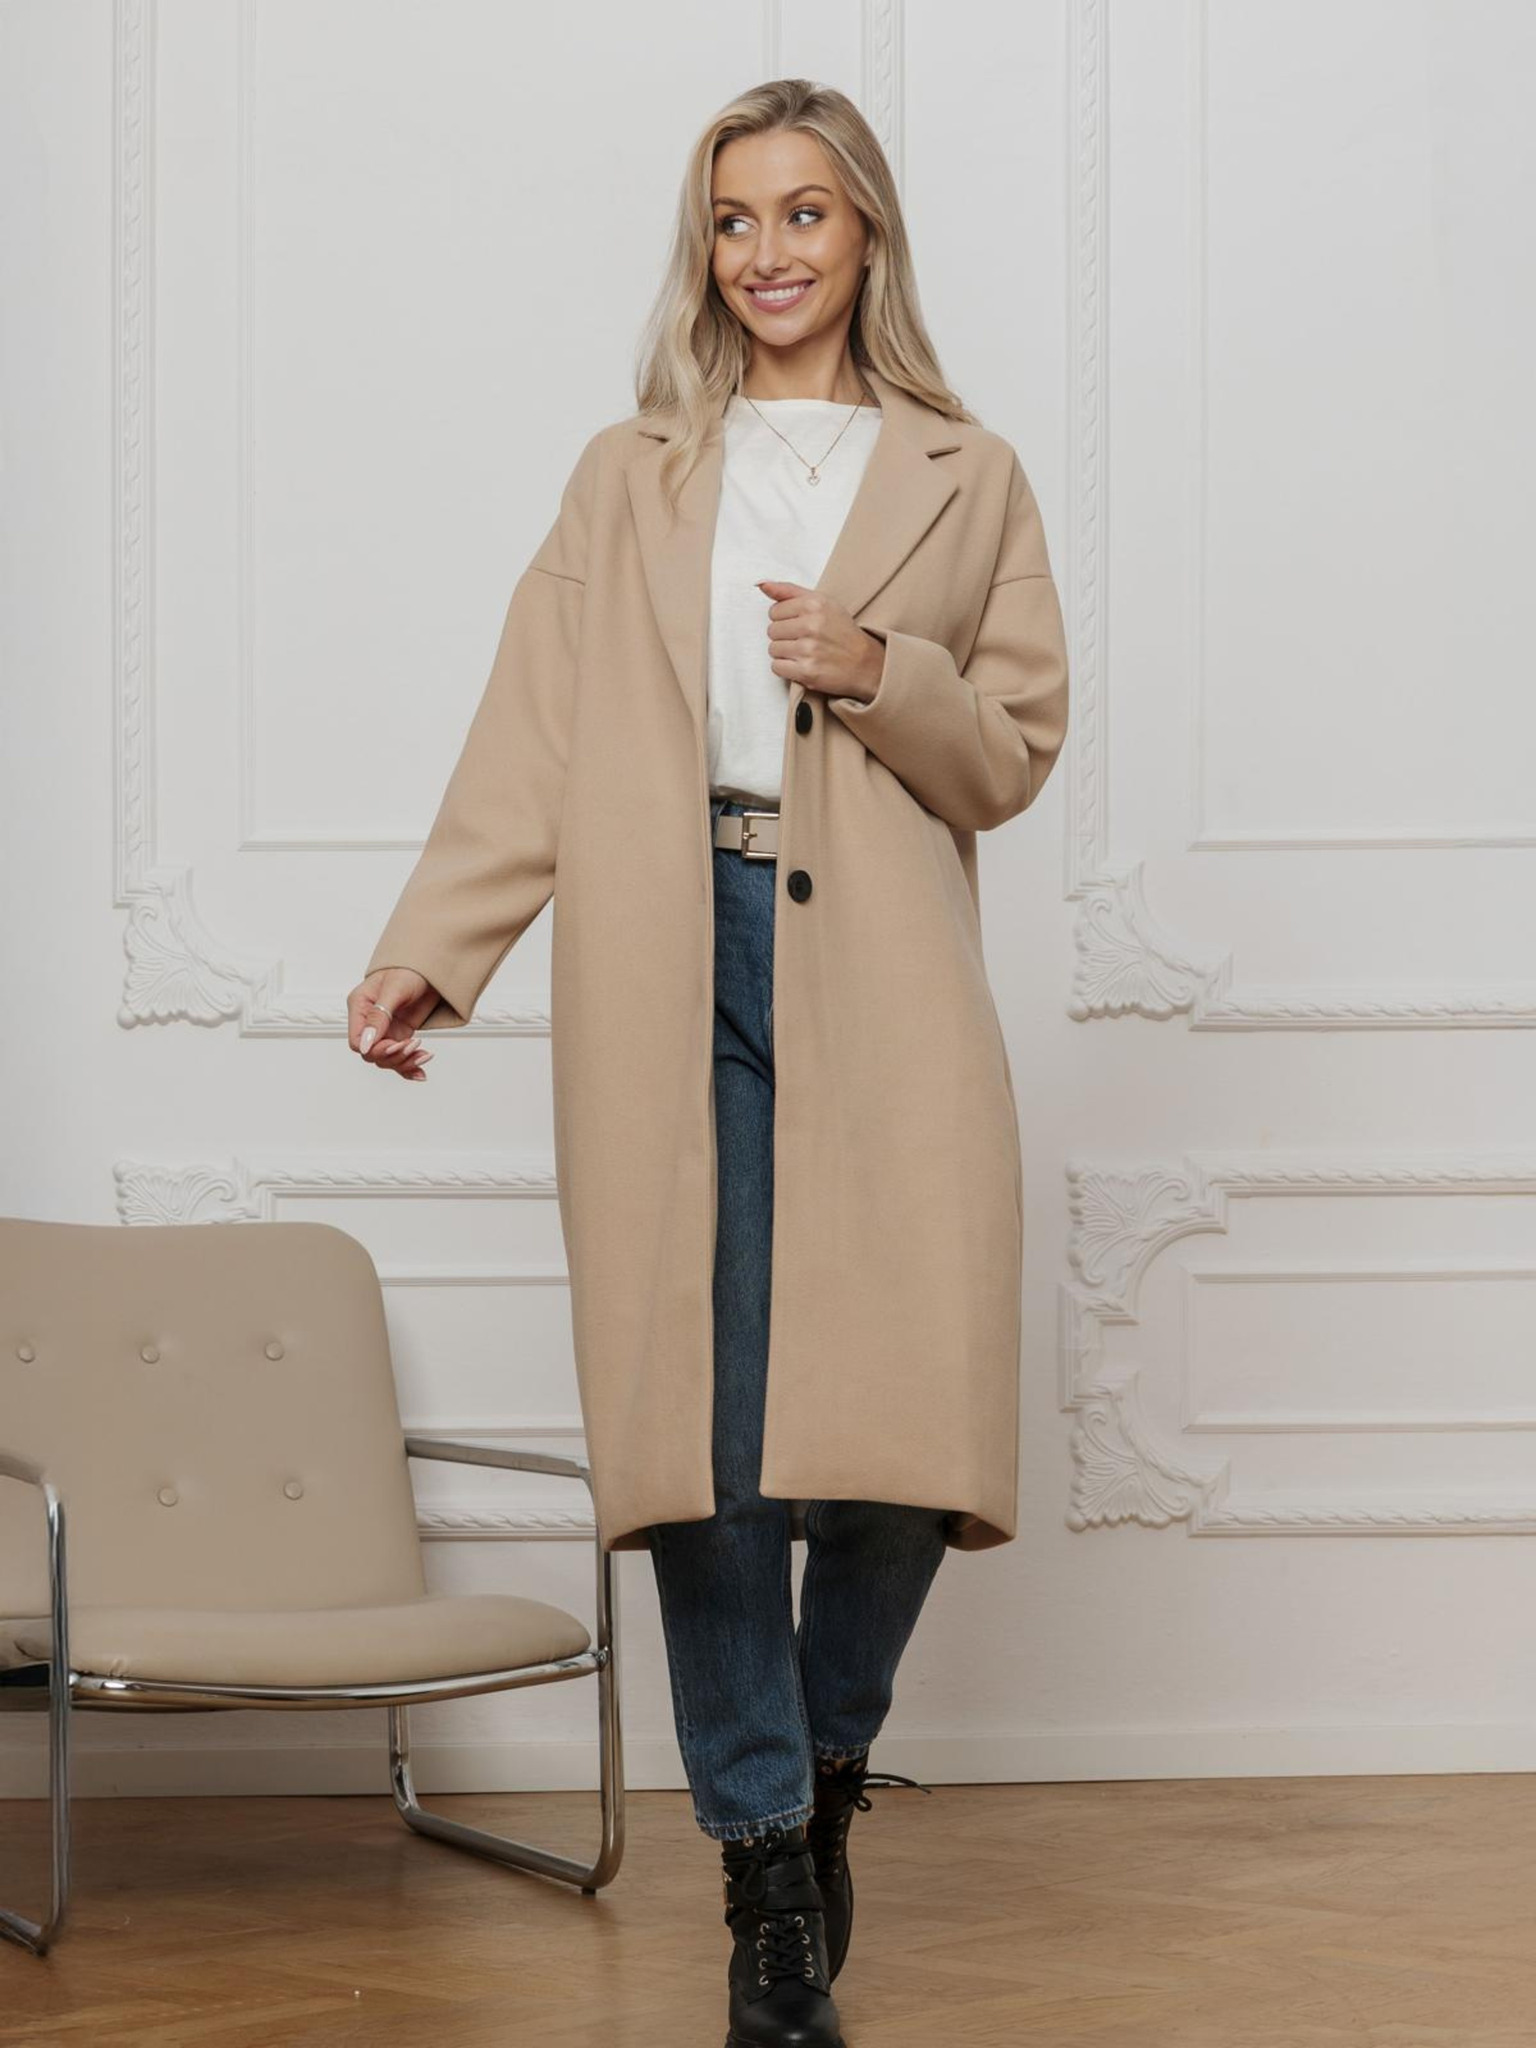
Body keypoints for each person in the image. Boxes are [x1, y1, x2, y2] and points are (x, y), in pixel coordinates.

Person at [349, 77, 1069, 2048]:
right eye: (735, 219)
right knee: (705, 1439)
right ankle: (765, 1871)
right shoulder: (633, 476)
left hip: (888, 977)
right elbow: (533, 728)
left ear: (867, 234)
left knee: (909, 1436)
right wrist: (435, 948)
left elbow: (1014, 748)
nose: (767, 253)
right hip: (674, 961)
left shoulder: (969, 474)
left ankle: (825, 1764)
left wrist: (880, 670)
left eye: (804, 213)